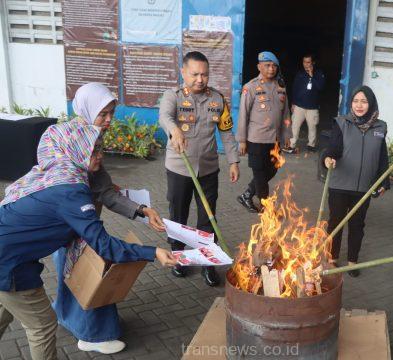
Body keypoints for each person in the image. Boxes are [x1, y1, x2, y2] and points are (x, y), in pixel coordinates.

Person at [0, 120, 176, 360]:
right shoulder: (71, 189)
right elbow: (103, 245)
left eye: (100, 148)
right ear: (74, 149)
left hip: (9, 255)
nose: (100, 156)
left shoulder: (57, 170)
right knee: (42, 326)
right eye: (92, 150)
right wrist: (153, 252)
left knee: (6, 308)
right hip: (8, 264)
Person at [52, 83, 166, 354]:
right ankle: (93, 336)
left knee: (71, 273)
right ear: (87, 109)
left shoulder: (91, 138)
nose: (108, 120)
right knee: (92, 273)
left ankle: (69, 318)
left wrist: (142, 210)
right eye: (103, 114)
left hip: (77, 222)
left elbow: (103, 189)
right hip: (72, 222)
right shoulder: (72, 141)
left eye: (111, 113)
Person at [159, 51, 240, 286]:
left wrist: (233, 161)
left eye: (204, 74)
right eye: (195, 74)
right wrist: (174, 130)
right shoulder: (172, 96)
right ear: (183, 72)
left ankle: (208, 264)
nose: (200, 79)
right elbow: (164, 117)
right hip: (178, 168)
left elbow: (226, 132)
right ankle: (178, 257)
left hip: (207, 169)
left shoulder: (218, 100)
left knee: (207, 217)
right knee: (178, 215)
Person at [322, 85, 389, 277]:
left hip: (364, 187)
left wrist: (384, 182)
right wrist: (328, 158)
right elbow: (332, 148)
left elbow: (382, 157)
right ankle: (332, 259)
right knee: (336, 222)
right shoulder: (342, 122)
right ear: (351, 103)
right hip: (339, 184)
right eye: (356, 101)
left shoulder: (380, 126)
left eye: (364, 101)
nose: (359, 105)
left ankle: (352, 261)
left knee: (357, 224)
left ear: (371, 103)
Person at [236, 51, 292, 213]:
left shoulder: (280, 87)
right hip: (256, 139)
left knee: (274, 168)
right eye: (267, 65)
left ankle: (247, 194)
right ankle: (266, 209)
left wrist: (287, 135)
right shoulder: (251, 87)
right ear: (259, 67)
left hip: (274, 140)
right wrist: (242, 140)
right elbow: (243, 115)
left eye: (274, 66)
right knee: (260, 175)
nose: (271, 69)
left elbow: (286, 114)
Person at [285, 53, 325, 153]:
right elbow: (294, 89)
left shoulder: (319, 73)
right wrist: (293, 103)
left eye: (308, 62)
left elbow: (320, 87)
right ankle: (291, 145)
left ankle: (311, 145)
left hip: (313, 107)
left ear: (313, 63)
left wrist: (312, 76)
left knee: (312, 127)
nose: (306, 64)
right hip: (299, 106)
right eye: (304, 62)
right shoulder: (300, 74)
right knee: (294, 126)